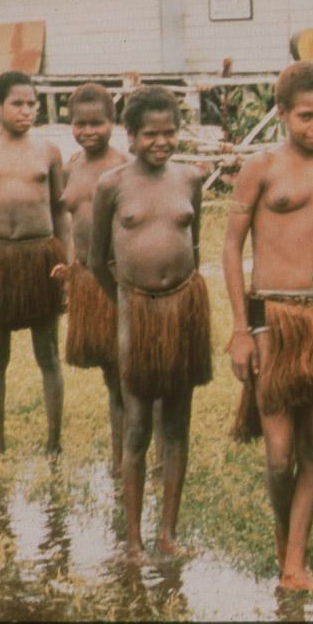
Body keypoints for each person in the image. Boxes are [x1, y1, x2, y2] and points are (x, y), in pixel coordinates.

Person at [224, 60, 313, 598]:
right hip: (273, 322)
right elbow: (232, 247)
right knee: (278, 455)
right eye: (307, 116)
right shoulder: (261, 168)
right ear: (282, 113)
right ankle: (287, 548)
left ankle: (295, 564)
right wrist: (241, 329)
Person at [89, 85, 211, 560]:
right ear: (132, 136)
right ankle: (134, 539)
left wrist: (180, 299)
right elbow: (98, 260)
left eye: (170, 132)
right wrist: (126, 304)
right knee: (137, 423)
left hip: (182, 308)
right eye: (150, 135)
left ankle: (168, 535)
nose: (161, 142)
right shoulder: (112, 185)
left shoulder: (191, 180)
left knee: (177, 423)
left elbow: (194, 245)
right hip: (135, 309)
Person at [0, 71, 69, 455]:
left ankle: (54, 443)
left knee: (48, 352)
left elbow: (59, 210)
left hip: (42, 257)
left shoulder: (49, 152)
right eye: (17, 104)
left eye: (32, 104)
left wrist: (64, 263)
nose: (26, 111)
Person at [50, 83, 129, 479]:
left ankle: (142, 452)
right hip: (85, 279)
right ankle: (119, 457)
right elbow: (66, 222)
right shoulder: (71, 166)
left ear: (112, 122)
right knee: (110, 375)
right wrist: (68, 268)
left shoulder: (124, 167)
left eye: (97, 123)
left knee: (131, 369)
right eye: (80, 124)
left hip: (119, 277)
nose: (88, 131)